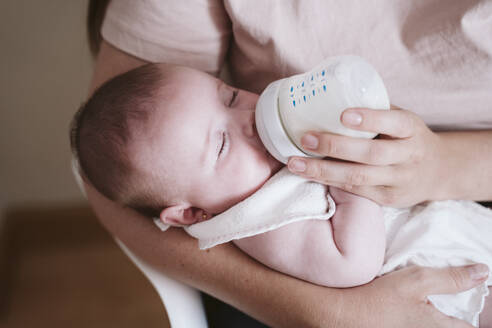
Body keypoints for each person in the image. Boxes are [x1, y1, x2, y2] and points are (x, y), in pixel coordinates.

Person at [82, 1, 492, 327]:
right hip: (424, 274)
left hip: (455, 207)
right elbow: (353, 263)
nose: (246, 119)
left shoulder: (255, 171)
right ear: (193, 212)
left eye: (228, 96)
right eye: (222, 145)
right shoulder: (262, 221)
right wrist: (349, 176)